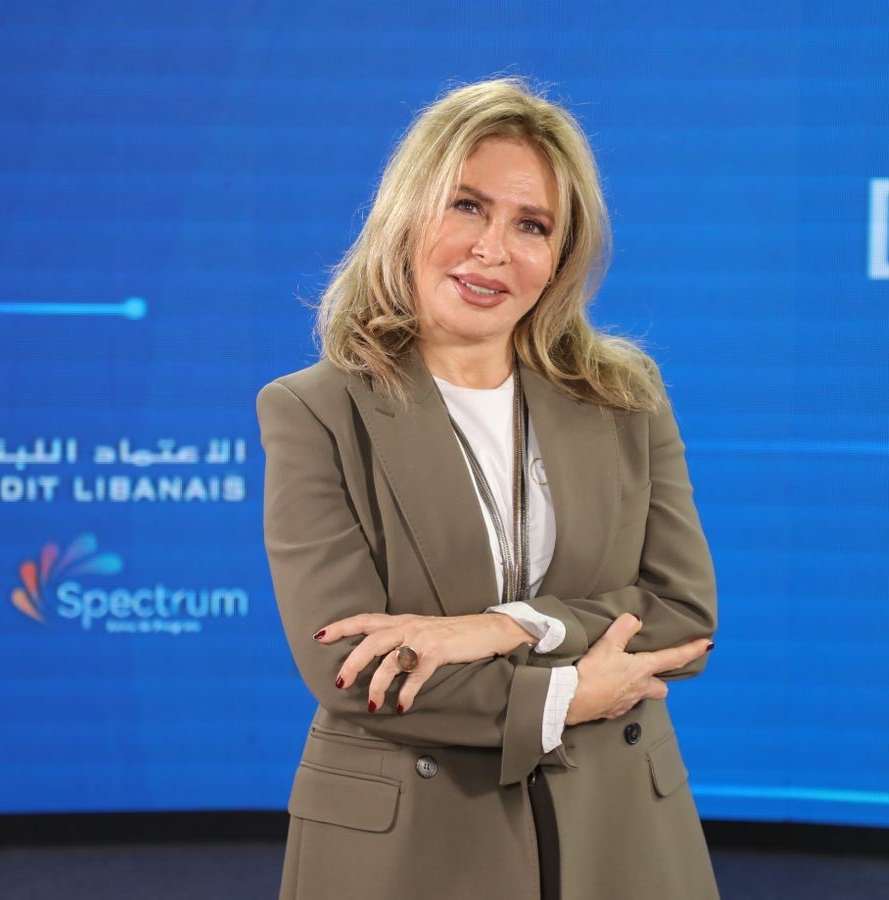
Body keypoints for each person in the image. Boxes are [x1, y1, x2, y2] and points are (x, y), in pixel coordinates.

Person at [257, 77, 720, 900]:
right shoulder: (315, 411)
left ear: (561, 258)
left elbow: (682, 613)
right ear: (407, 214)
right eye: (466, 206)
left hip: (621, 832)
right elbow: (356, 667)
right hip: (410, 845)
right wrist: (569, 694)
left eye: (531, 225)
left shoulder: (626, 397)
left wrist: (501, 628)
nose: (492, 249)